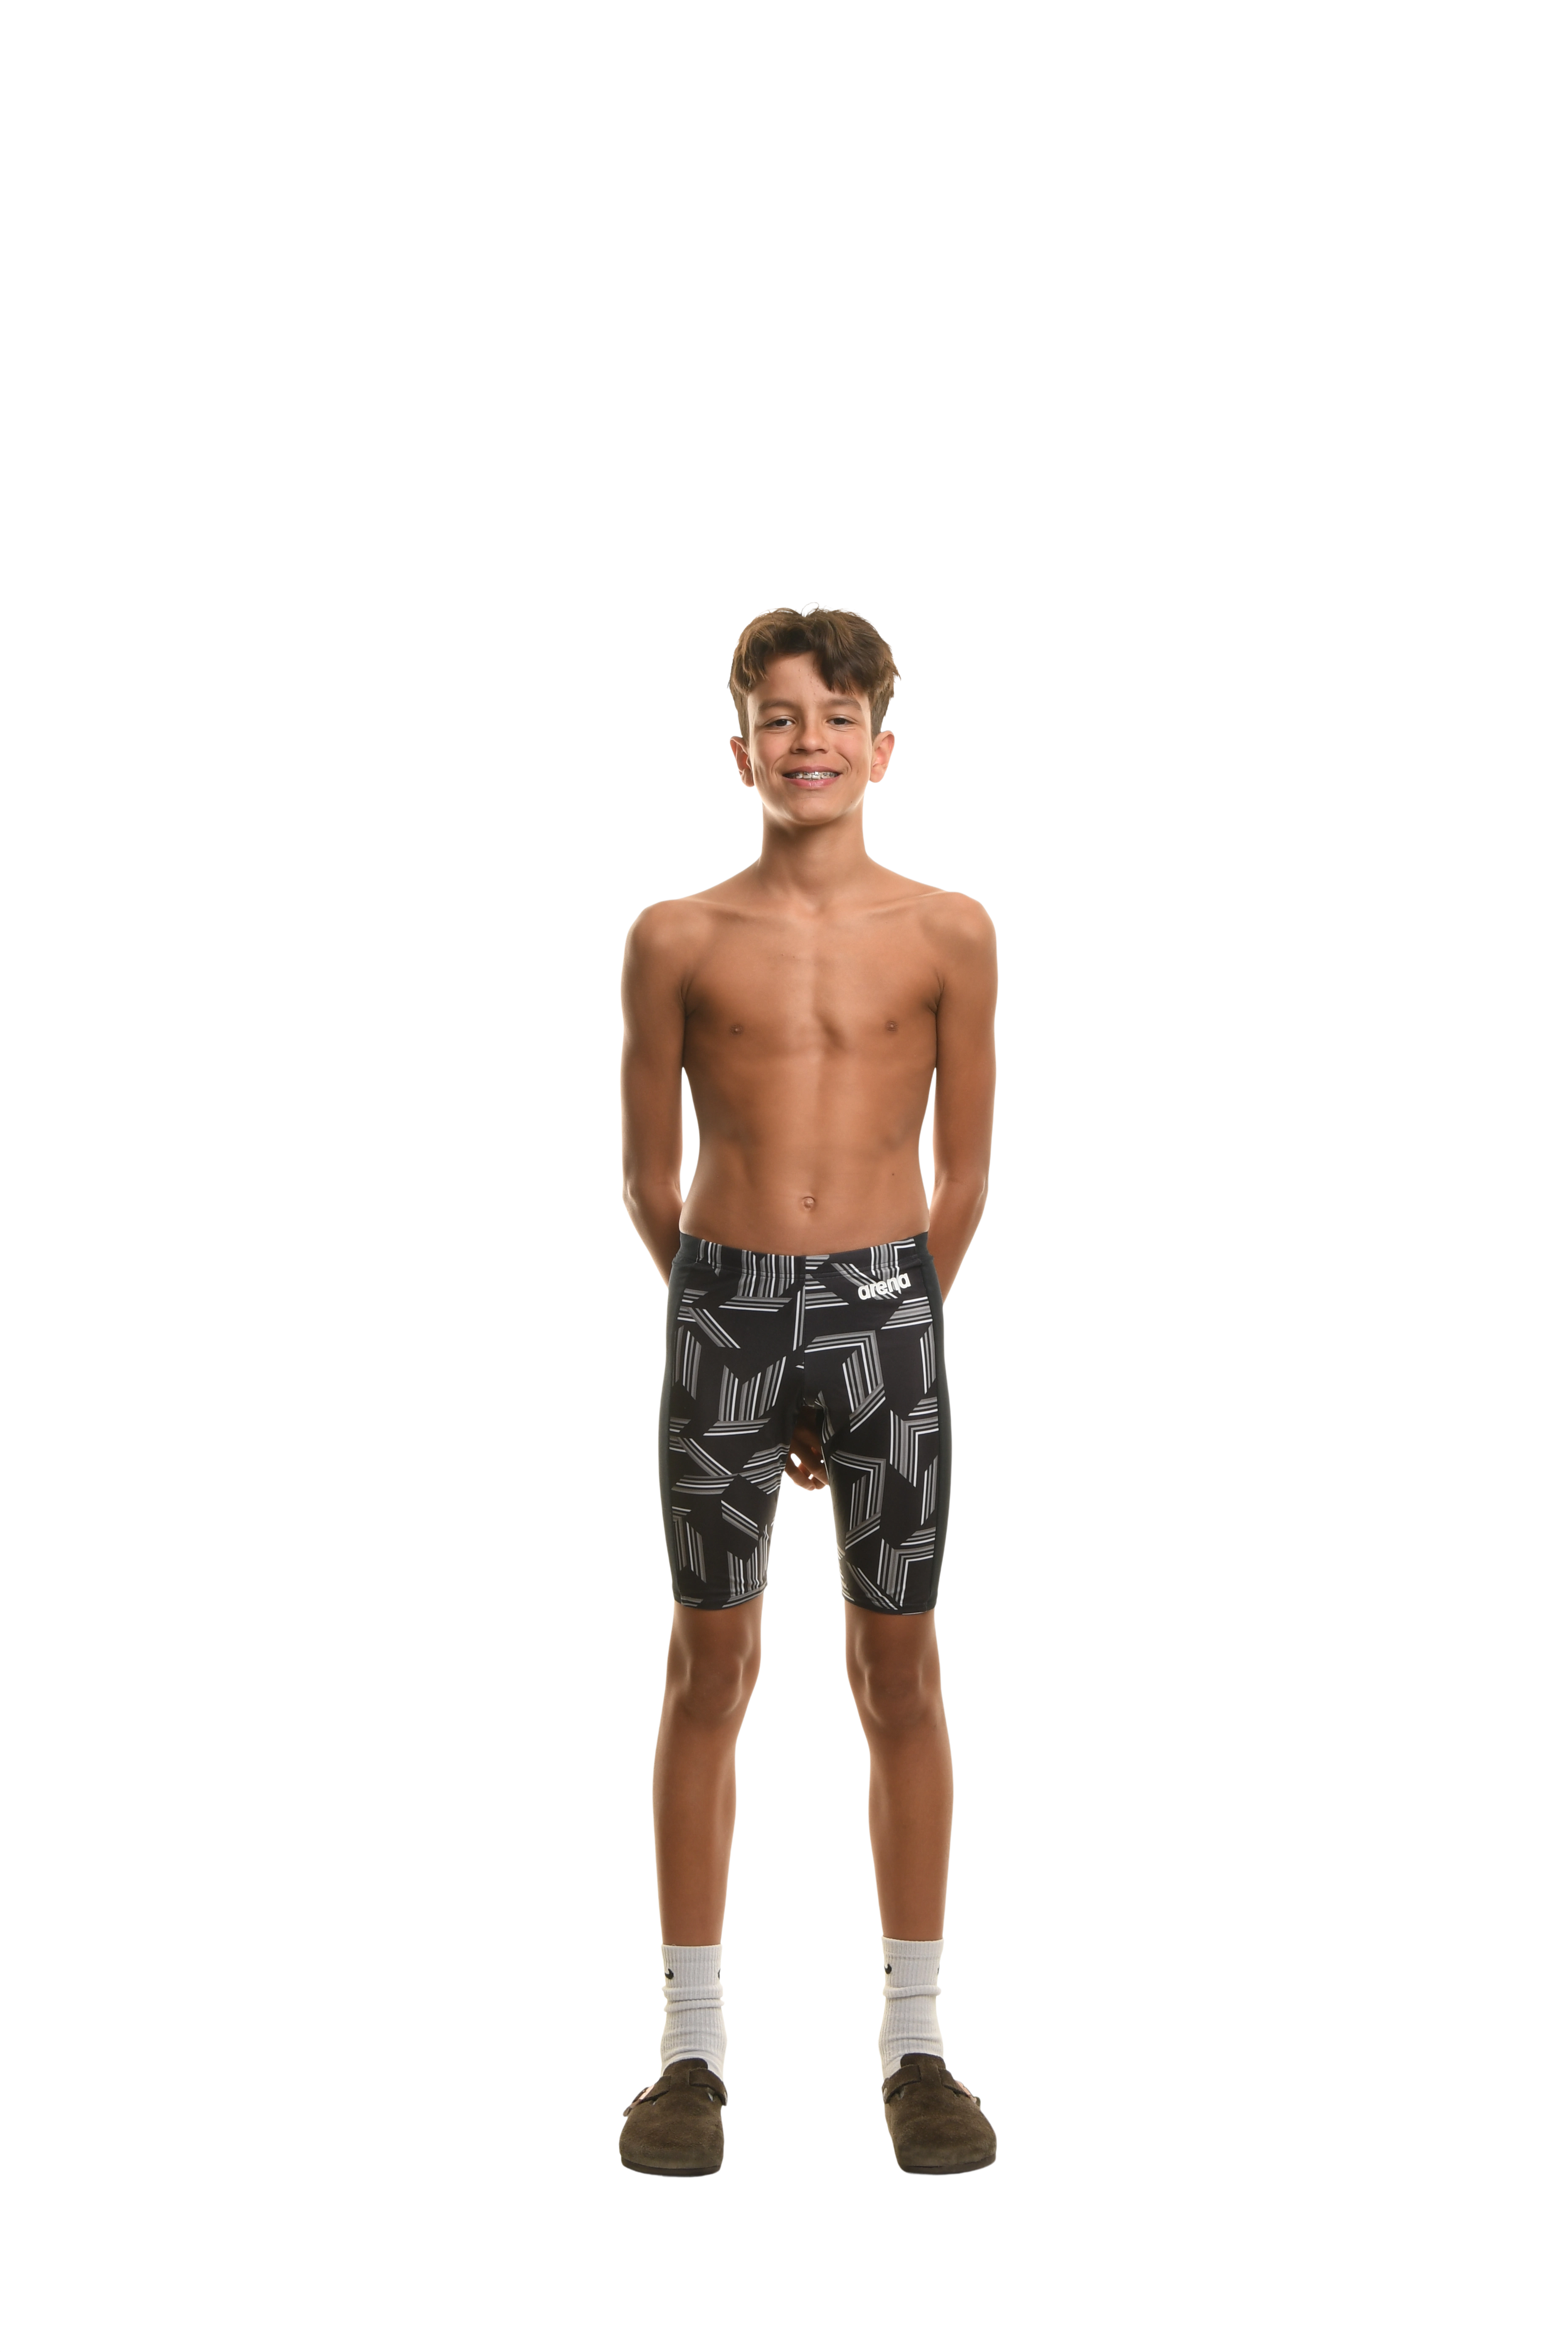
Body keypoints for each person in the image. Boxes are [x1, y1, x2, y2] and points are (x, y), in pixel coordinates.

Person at [615, 603, 999, 2178]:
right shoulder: (677, 937)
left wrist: (886, 1332)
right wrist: (733, 1330)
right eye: (780, 717)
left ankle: (918, 2046)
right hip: (724, 1307)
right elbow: (647, 1178)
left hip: (889, 1311)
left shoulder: (950, 931)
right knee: (709, 1668)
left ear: (883, 748)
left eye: (839, 717)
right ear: (740, 749)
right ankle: (691, 2055)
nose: (810, 741)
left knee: (899, 1672)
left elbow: (964, 1174)